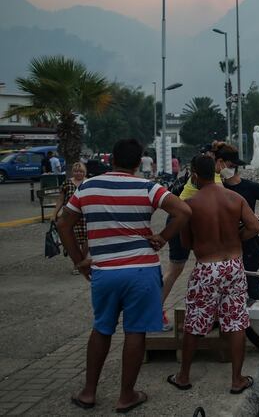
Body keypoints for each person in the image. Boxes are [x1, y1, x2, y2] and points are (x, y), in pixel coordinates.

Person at [56, 138, 191, 413]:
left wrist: (80, 261)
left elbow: (63, 223)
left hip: (104, 272)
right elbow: (183, 211)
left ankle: (88, 392)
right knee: (135, 331)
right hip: (142, 271)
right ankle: (126, 395)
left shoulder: (87, 187)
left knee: (102, 328)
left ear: (112, 159)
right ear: (138, 161)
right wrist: (163, 238)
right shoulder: (148, 187)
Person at [167, 155, 259, 393]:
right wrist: (235, 239)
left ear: (195, 175)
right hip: (233, 265)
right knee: (236, 321)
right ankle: (237, 379)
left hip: (206, 268)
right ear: (216, 172)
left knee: (195, 321)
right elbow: (255, 227)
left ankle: (184, 376)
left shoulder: (190, 204)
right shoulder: (235, 198)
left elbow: (187, 243)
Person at [161, 142, 225, 331]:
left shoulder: (209, 178)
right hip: (181, 221)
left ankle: (212, 310)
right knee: (176, 268)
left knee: (186, 267)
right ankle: (154, 311)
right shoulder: (215, 182)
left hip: (184, 220)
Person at [220, 146, 259, 301]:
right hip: (227, 241)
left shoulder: (250, 186)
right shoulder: (219, 188)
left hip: (248, 239)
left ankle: (257, 306)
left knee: (250, 276)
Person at [52, 162, 88, 274]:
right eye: (76, 171)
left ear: (84, 172)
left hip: (86, 217)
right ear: (73, 172)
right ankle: (77, 265)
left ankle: (85, 262)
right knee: (75, 242)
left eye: (81, 171)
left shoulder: (89, 183)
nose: (78, 173)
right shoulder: (67, 184)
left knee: (87, 242)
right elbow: (61, 200)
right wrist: (54, 214)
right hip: (71, 217)